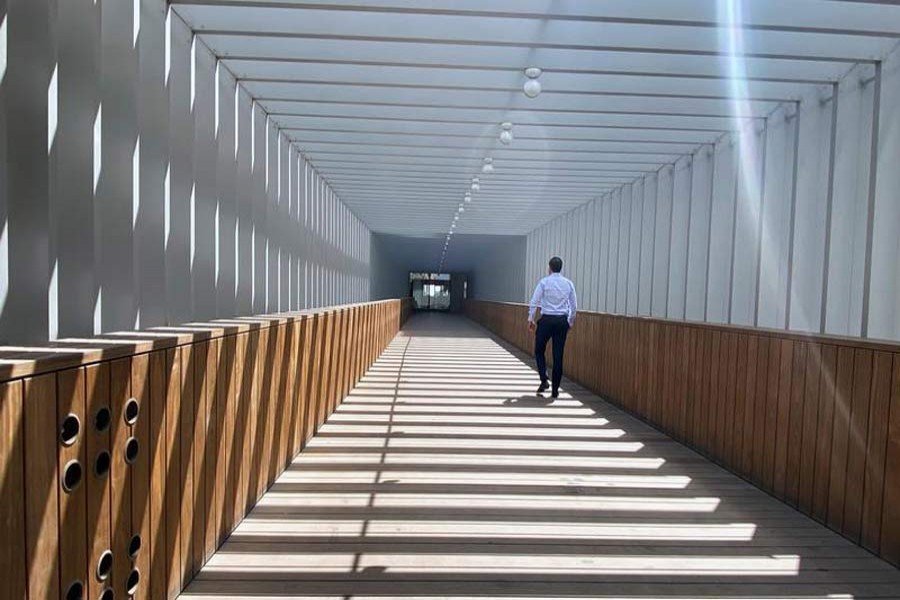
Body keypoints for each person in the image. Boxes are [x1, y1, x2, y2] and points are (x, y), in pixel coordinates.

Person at [527, 256, 577, 398]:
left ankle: (544, 379)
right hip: (561, 321)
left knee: (539, 350)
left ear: (549, 267)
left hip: (547, 320)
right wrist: (570, 322)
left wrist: (530, 319)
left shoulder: (544, 282)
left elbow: (534, 301)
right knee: (558, 356)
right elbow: (574, 306)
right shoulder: (568, 284)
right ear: (561, 267)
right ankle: (555, 390)